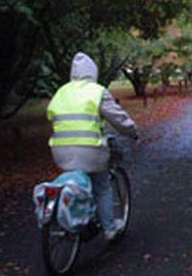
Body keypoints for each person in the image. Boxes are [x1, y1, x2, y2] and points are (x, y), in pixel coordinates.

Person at [47, 52, 138, 241]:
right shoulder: (97, 91)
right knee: (102, 186)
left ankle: (77, 214)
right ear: (92, 73)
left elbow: (52, 116)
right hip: (90, 151)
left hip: (60, 151)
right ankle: (109, 229)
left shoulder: (61, 92)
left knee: (74, 181)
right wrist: (132, 131)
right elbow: (118, 118)